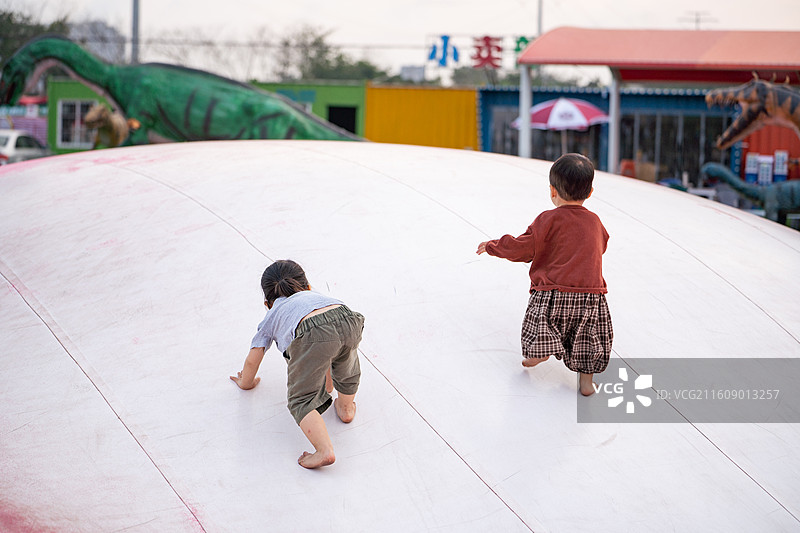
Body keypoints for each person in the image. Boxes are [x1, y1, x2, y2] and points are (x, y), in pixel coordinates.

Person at [476, 153, 612, 396]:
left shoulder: (547, 220)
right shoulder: (595, 222)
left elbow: (521, 247)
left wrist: (492, 246)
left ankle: (540, 349)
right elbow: (602, 245)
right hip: (591, 295)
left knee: (542, 321)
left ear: (552, 191)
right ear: (590, 192)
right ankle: (586, 383)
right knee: (587, 339)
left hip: (553, 292)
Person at [230, 260, 365, 469]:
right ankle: (346, 407)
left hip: (313, 334)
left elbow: (253, 358)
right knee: (344, 363)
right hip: (347, 316)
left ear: (268, 303)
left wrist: (245, 382)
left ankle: (324, 450)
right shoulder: (316, 296)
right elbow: (327, 339)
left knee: (300, 399)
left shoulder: (272, 314)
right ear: (307, 286)